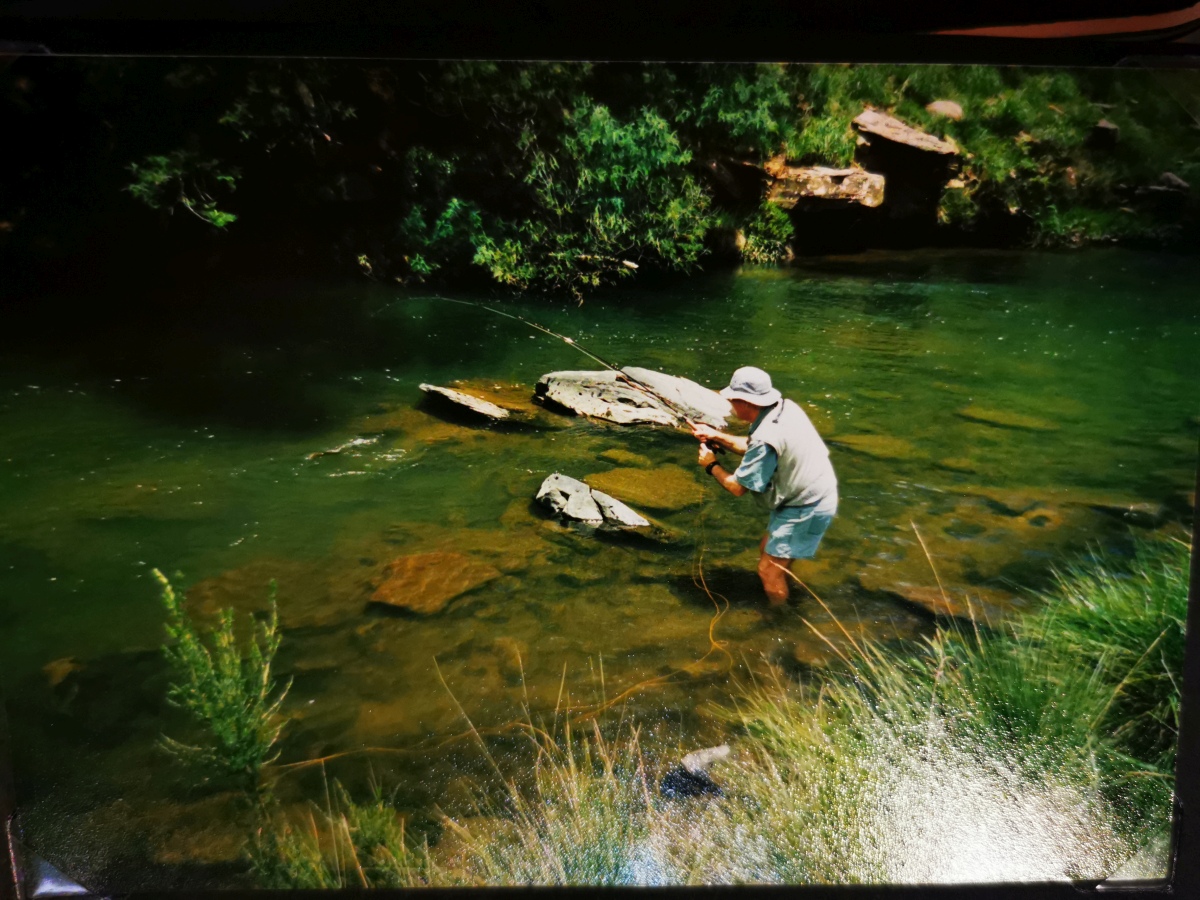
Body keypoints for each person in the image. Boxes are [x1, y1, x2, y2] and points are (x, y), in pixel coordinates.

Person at [691, 366, 838, 608]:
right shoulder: (783, 408)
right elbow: (752, 445)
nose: (731, 405)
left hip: (807, 505)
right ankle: (790, 595)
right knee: (768, 553)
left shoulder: (766, 435)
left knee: (768, 572)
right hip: (808, 493)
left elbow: (738, 487)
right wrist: (715, 436)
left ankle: (780, 622)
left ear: (746, 402)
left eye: (733, 400)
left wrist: (711, 465)